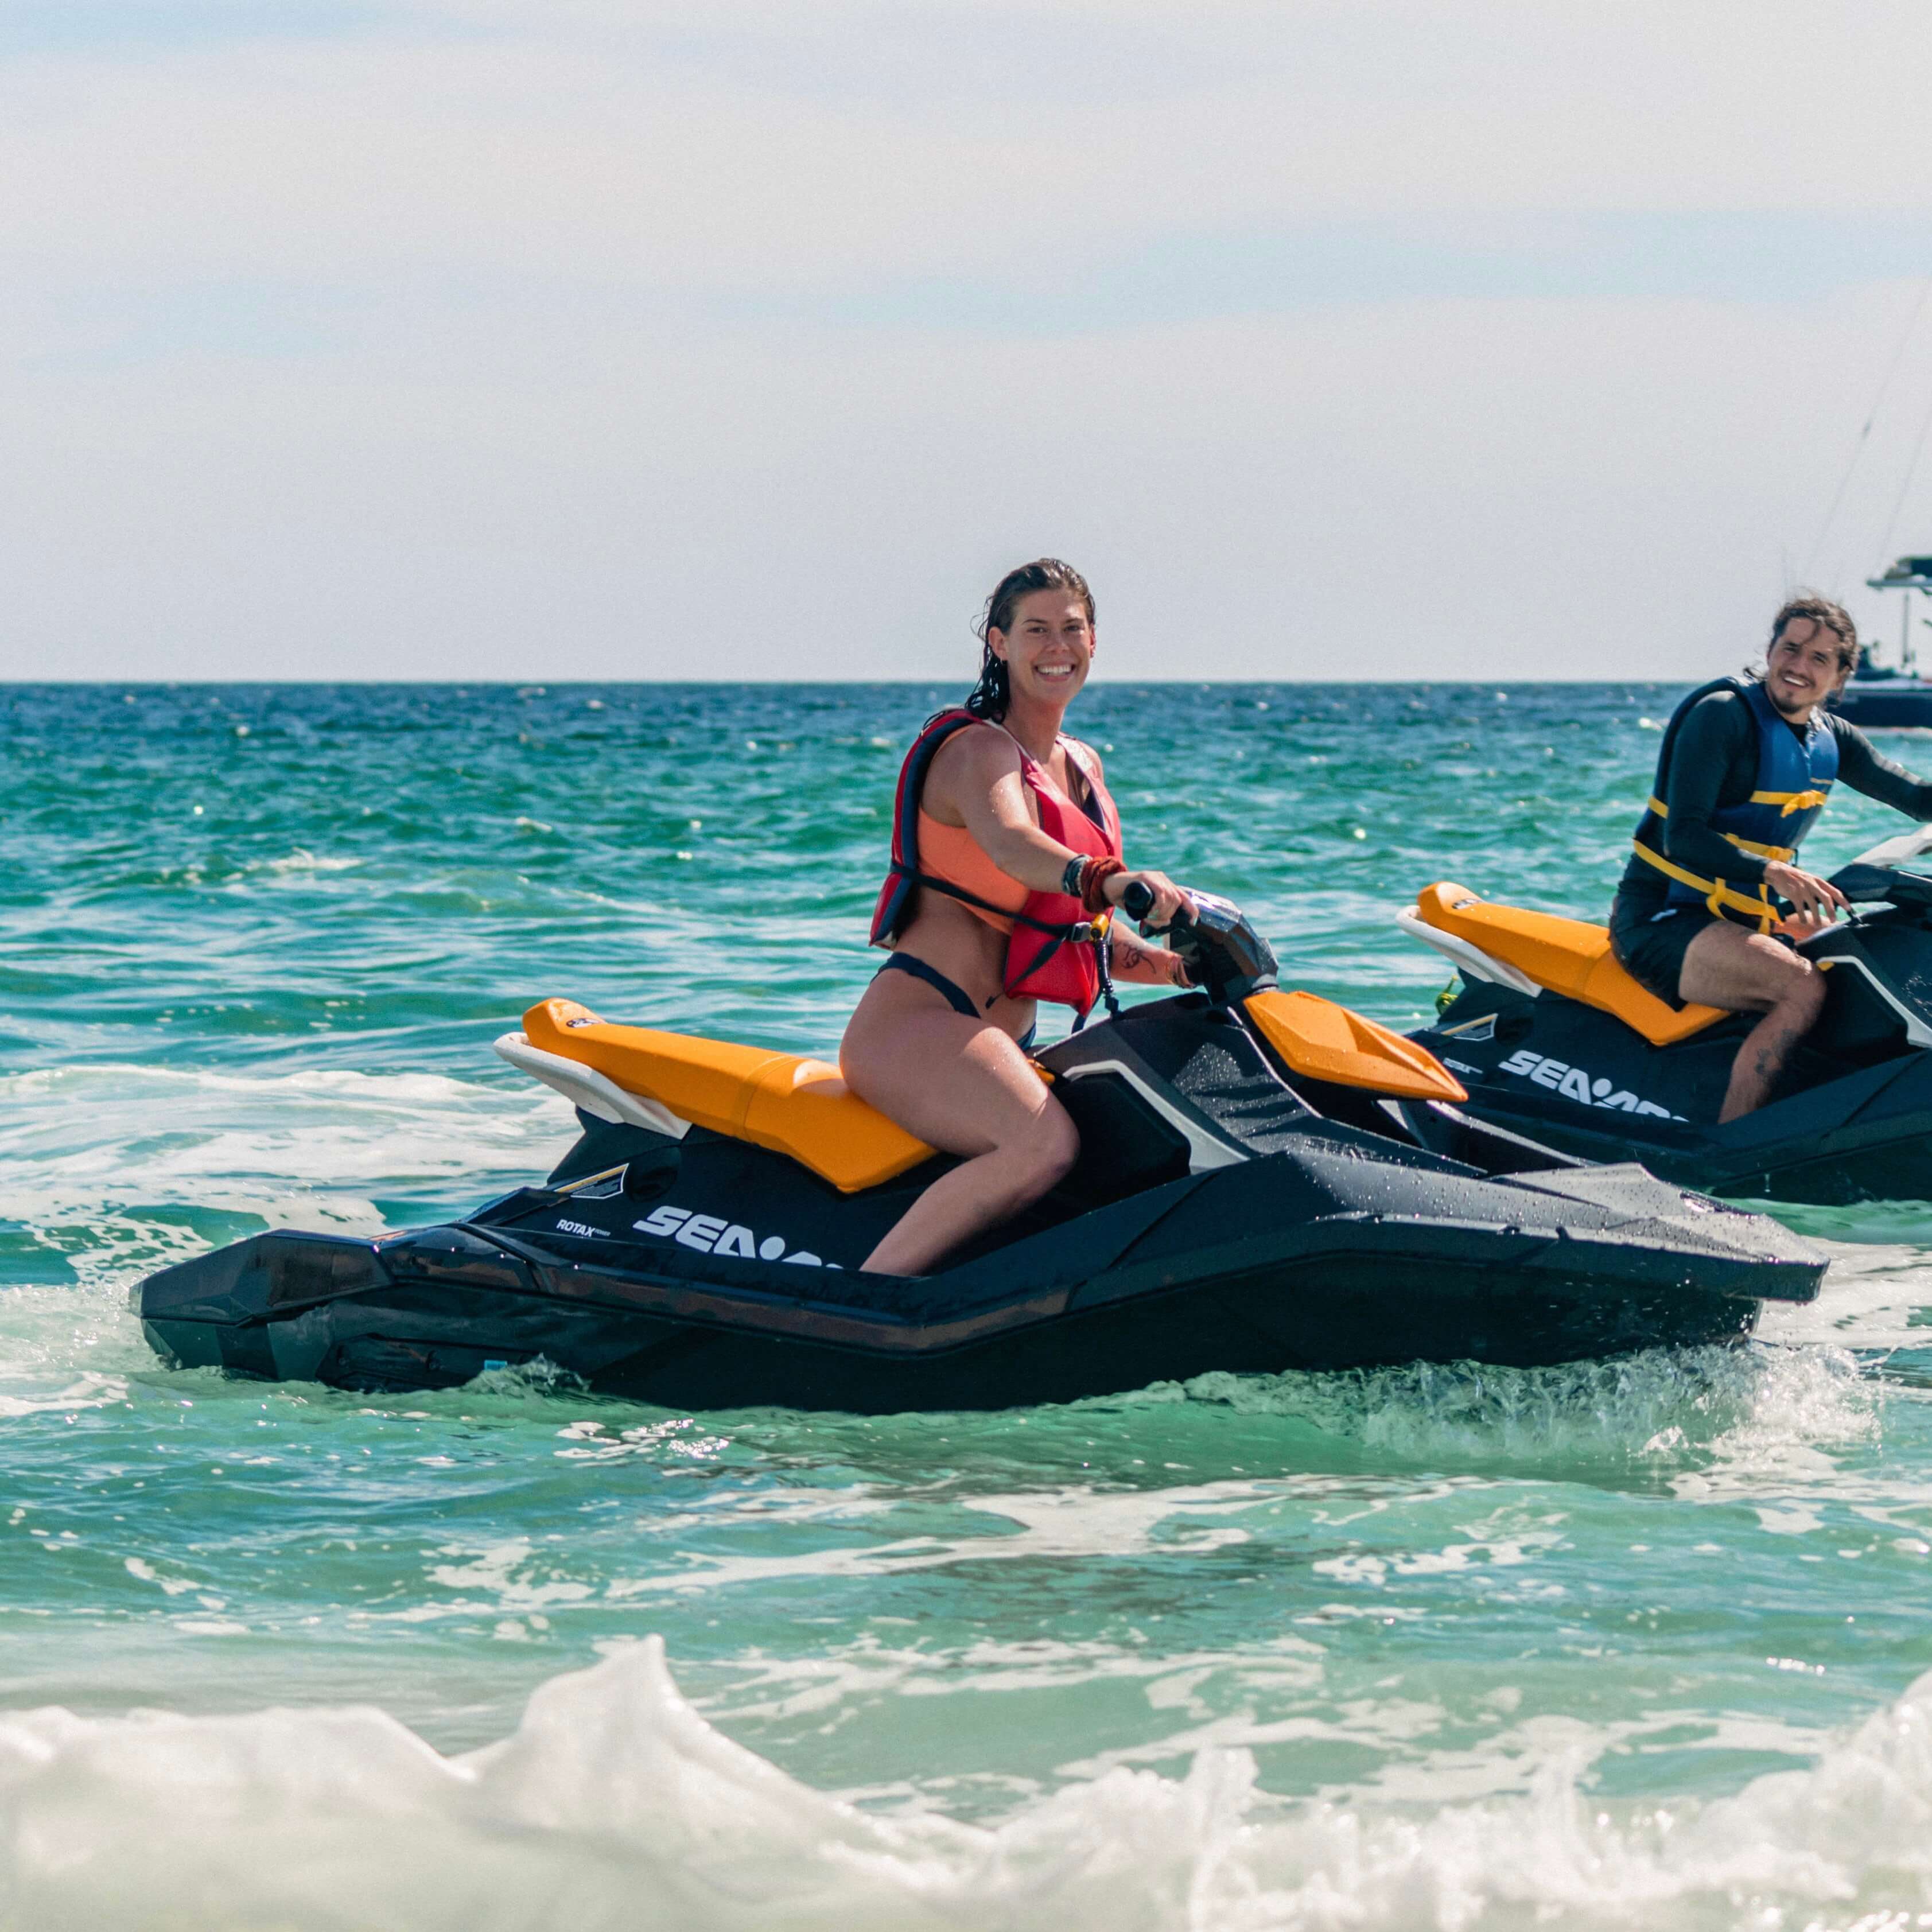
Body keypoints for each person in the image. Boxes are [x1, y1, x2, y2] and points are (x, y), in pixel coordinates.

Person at [840, 558, 1194, 1276]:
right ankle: (868, 1306)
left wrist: (1181, 964)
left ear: (1094, 641)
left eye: (1071, 628)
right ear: (999, 643)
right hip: (920, 1021)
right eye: (1035, 630)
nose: (1055, 646)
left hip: (1007, 1041)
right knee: (1044, 1146)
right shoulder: (977, 751)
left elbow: (1080, 931)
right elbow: (1013, 847)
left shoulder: (1083, 766)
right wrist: (1105, 875)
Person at [1610, 593, 1932, 1121]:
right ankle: (1729, 1145)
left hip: (1737, 921)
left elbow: (1918, 799)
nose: (1799, 667)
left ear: (1840, 677)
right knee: (1800, 986)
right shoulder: (1722, 717)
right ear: (1772, 649)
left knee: (1860, 957)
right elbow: (1682, 837)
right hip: (1661, 919)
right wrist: (1771, 871)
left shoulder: (1833, 738)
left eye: (1819, 658)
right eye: (1791, 648)